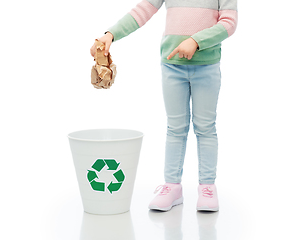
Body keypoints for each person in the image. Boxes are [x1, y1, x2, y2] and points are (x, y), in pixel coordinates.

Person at [90, 0, 237, 211]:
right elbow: (142, 10)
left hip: (207, 67)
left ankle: (207, 187)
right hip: (172, 66)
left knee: (205, 127)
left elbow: (230, 22)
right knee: (175, 128)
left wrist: (196, 41)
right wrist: (110, 34)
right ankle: (172, 186)